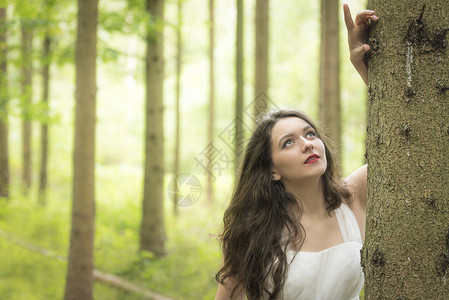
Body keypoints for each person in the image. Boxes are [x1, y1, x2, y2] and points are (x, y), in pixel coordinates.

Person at [214, 4, 379, 300]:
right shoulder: (252, 232)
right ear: (272, 169)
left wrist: (362, 66)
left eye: (310, 134)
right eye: (288, 142)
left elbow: (419, 139)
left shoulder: (353, 199)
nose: (307, 143)